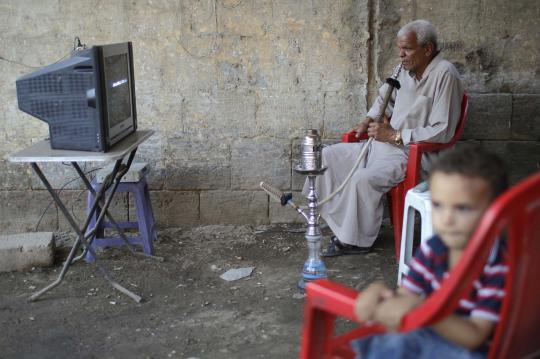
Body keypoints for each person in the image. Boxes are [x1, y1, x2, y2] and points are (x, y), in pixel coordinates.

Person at [309, 19, 464, 256]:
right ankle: (342, 226)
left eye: (407, 49)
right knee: (326, 158)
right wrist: (367, 120)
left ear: (428, 49)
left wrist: (396, 135)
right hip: (382, 145)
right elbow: (384, 99)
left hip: (413, 154)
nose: (401, 55)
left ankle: (356, 241)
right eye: (400, 49)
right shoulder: (404, 69)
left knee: (363, 178)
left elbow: (443, 130)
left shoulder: (445, 74)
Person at [351, 144, 509, 359]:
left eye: (462, 208)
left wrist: (423, 307)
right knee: (389, 342)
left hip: (471, 351)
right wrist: (381, 294)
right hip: (433, 337)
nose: (446, 219)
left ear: (496, 212)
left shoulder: (497, 264)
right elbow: (406, 297)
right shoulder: (433, 249)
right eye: (438, 205)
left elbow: (475, 337)